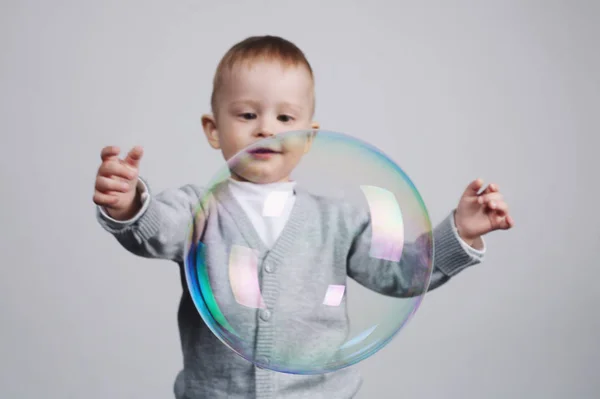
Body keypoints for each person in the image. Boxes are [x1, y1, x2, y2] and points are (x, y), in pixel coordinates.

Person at [93, 35, 513, 399]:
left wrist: (460, 232)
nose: (266, 130)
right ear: (213, 129)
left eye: (285, 118)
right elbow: (152, 231)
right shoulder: (194, 209)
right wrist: (129, 203)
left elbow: (403, 272)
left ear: (310, 136)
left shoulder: (336, 219)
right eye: (246, 115)